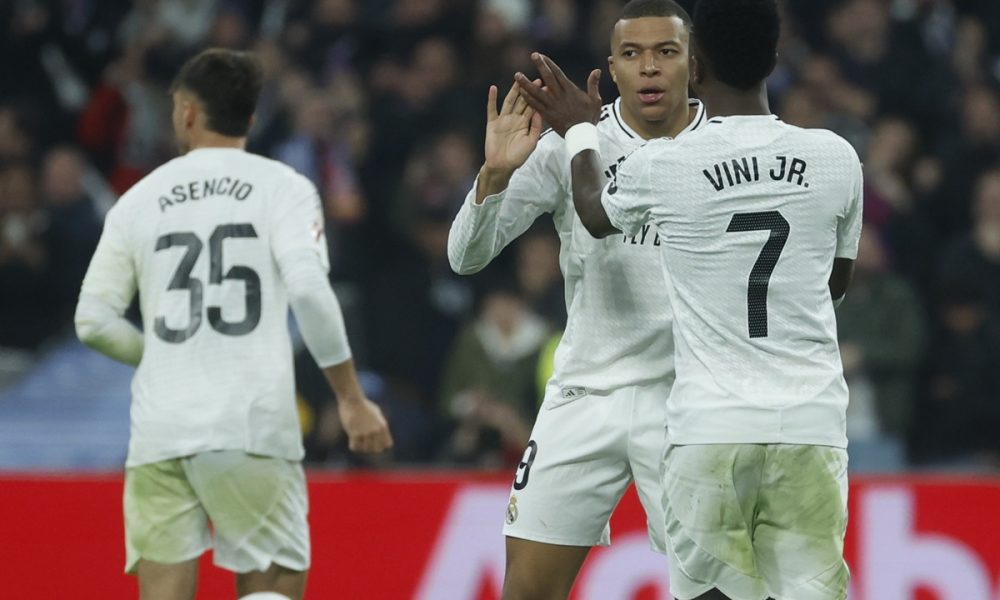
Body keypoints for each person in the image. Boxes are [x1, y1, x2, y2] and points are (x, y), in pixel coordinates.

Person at [516, 0, 863, 597]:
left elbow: (596, 215)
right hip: (811, 422)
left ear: (694, 65)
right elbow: (833, 283)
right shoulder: (837, 156)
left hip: (710, 426)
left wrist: (579, 128)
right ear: (775, 60)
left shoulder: (667, 163)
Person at [74, 49, 393, 600]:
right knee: (272, 585)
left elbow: (93, 321)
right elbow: (312, 293)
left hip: (160, 430)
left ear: (187, 111)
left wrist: (157, 354)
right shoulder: (284, 188)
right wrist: (350, 397)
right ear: (248, 118)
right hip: (251, 424)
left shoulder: (138, 199)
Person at [448, 0, 705, 597]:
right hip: (583, 394)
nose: (649, 68)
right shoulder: (568, 146)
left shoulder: (718, 152)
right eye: (633, 54)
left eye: (666, 53)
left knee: (711, 588)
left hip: (686, 398)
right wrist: (493, 176)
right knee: (527, 591)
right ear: (612, 68)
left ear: (692, 64)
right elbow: (466, 257)